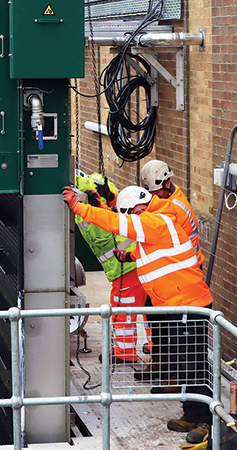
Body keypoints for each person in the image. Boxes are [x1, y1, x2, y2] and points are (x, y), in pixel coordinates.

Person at [62, 183, 214, 435]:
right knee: (182, 361)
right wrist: (130, 257)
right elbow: (156, 250)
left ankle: (205, 420)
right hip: (175, 303)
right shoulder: (158, 220)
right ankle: (191, 414)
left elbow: (114, 223)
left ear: (139, 208)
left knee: (193, 364)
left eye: (130, 215)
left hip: (187, 304)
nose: (130, 221)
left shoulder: (154, 221)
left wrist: (79, 208)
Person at [70, 172, 146, 362]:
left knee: (122, 311)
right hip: (141, 262)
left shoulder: (89, 212)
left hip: (126, 268)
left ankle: (125, 354)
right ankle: (155, 347)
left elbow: (104, 229)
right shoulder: (102, 186)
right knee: (149, 308)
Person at [141, 159, 204, 266]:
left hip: (187, 263)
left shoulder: (175, 208)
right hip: (184, 259)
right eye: (151, 193)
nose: (154, 197)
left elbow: (157, 235)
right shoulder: (171, 193)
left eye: (156, 192)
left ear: (168, 183)